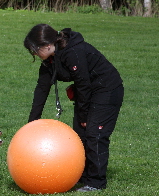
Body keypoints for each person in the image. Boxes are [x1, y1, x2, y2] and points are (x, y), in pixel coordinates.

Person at [24, 24, 124, 192]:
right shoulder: (49, 60)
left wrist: (84, 117)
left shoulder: (73, 52)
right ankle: (83, 176)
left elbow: (83, 84)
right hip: (88, 91)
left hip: (107, 89)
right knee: (79, 134)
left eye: (35, 50)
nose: (33, 54)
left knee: (95, 134)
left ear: (47, 45)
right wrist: (31, 124)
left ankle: (96, 183)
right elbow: (41, 90)